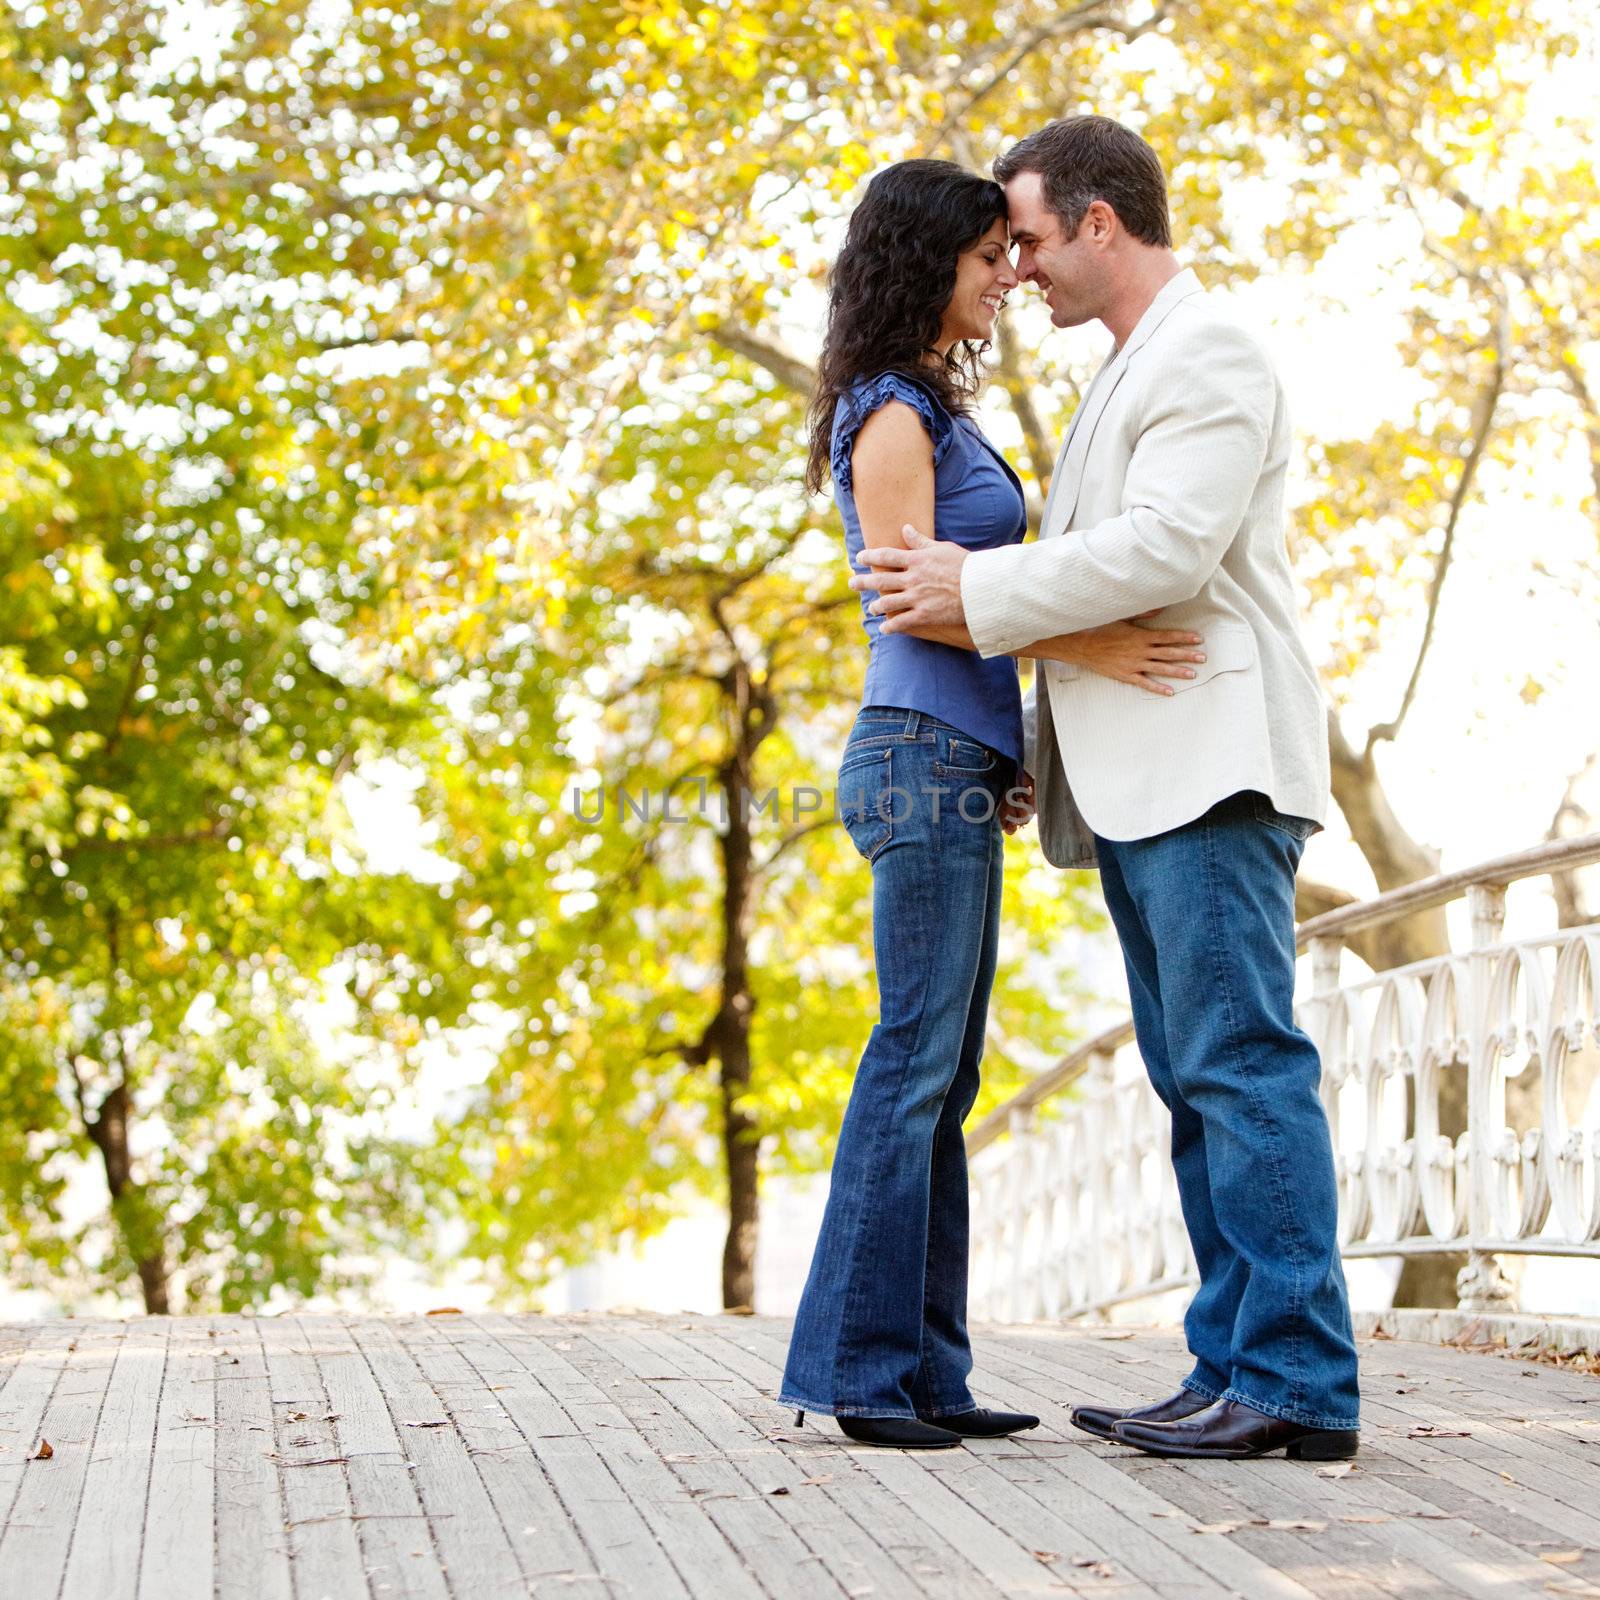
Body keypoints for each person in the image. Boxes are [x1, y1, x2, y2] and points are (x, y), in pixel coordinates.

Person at [851, 116, 1362, 1462]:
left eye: (1025, 237)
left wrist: (979, 591)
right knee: (1200, 1081)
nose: (1014, 270)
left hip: (1210, 769)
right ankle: (1231, 1363)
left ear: (1096, 220)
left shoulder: (1212, 351)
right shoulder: (1125, 374)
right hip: (1142, 781)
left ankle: (1297, 1380)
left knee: (1243, 1070)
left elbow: (1169, 546)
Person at [778, 157, 1208, 1450]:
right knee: (911, 1060)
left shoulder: (932, 408)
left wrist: (1008, 740)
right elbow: (917, 598)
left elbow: (976, 602)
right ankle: (858, 1372)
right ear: (928, 266)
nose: (1005, 281)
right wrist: (1094, 652)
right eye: (984, 262)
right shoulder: (892, 414)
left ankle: (930, 1375)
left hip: (951, 758)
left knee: (945, 1071)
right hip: (911, 753)